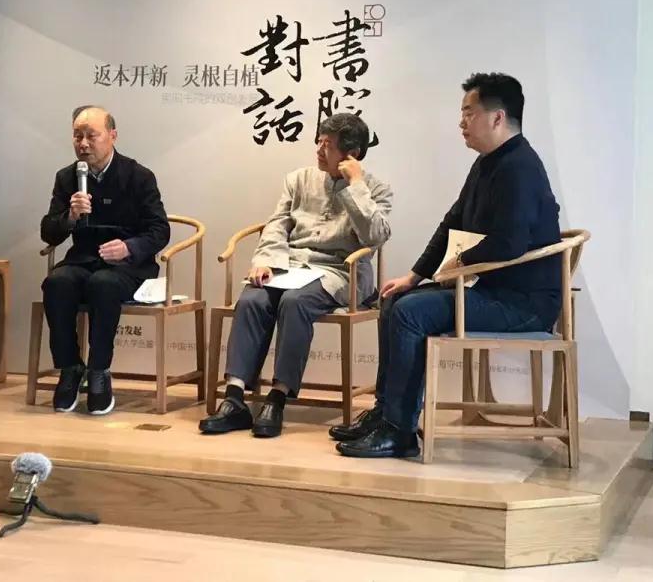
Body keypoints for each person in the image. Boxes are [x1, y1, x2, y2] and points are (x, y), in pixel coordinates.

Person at [335, 73, 562, 459]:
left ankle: (400, 431)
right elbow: (452, 222)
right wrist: (414, 276)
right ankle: (386, 414)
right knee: (394, 299)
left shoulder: (520, 166)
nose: (461, 122)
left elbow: (510, 242)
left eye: (469, 113)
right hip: (489, 290)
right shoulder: (487, 164)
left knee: (410, 314)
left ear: (497, 117)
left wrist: (460, 263)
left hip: (523, 303)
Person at [199, 113, 393, 438]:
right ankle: (234, 398)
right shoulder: (299, 179)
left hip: (339, 271)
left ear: (352, 153)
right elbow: (277, 225)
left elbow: (375, 236)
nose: (318, 149)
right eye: (319, 141)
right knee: (252, 298)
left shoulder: (376, 189)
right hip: (289, 266)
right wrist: (265, 261)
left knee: (294, 302)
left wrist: (356, 186)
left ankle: (277, 398)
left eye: (327, 145)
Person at [39, 106, 170, 415]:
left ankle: (99, 370)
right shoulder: (68, 177)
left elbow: (159, 230)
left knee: (103, 284)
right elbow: (49, 232)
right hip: (83, 260)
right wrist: (70, 217)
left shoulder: (138, 176)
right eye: (77, 136)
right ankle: (70, 367)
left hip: (128, 266)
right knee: (56, 283)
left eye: (91, 136)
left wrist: (128, 247)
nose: (83, 144)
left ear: (112, 136)